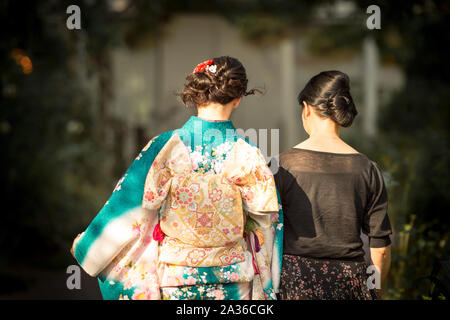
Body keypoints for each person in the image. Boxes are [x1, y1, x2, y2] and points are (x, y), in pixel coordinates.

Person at [71, 56, 283, 300]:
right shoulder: (249, 153)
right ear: (237, 99)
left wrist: (89, 246)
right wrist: (269, 283)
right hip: (234, 279)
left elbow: (130, 204)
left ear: (196, 95)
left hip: (177, 278)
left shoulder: (164, 146)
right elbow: (267, 223)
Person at [274, 70, 392, 300]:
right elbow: (381, 248)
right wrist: (373, 291)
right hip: (351, 283)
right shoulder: (367, 168)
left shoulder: (281, 165)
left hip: (295, 284)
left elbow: (264, 234)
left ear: (306, 109)